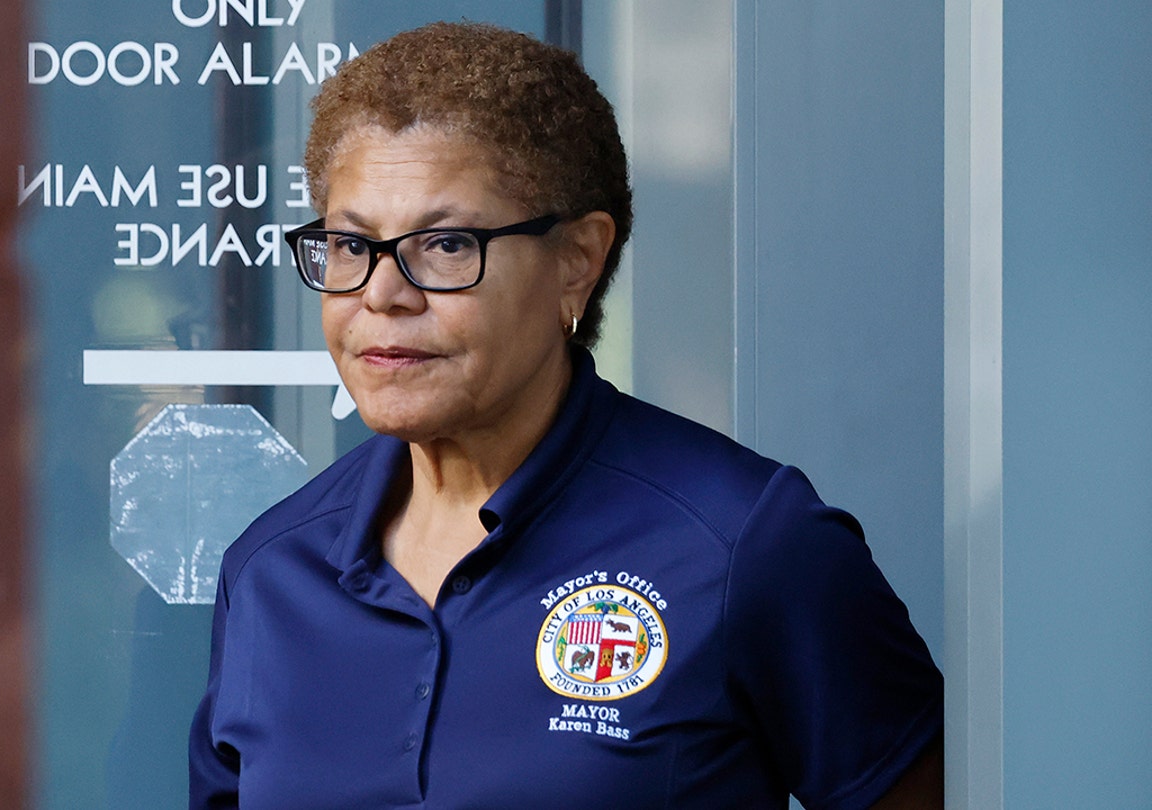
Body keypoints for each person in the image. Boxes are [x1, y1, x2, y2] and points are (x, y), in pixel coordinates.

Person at [188, 21, 943, 809]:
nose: (382, 294)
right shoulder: (269, 571)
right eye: (350, 245)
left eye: (446, 245)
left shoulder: (744, 541)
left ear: (578, 260)